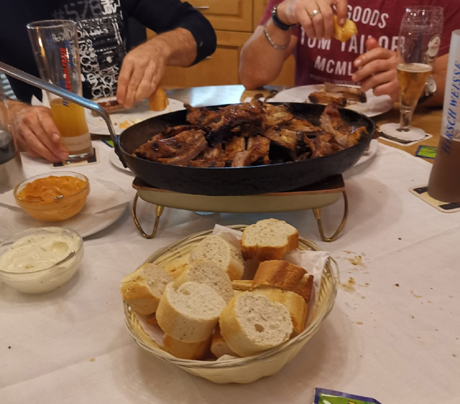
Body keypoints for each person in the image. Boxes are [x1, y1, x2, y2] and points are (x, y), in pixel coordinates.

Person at [0, 0, 216, 162]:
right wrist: (13, 114)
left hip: (134, 135)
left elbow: (201, 32)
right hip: (51, 146)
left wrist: (161, 47)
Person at [240, 0, 459, 107]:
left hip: (393, 125)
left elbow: (452, 85)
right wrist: (282, 17)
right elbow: (251, 76)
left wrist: (417, 84)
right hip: (311, 123)